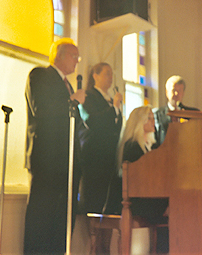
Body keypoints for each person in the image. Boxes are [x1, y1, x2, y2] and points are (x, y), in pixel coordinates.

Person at [24, 37, 85, 255]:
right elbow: (42, 109)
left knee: (62, 222)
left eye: (78, 57)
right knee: (41, 220)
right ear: (58, 56)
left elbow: (74, 124)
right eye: (73, 55)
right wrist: (72, 102)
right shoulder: (40, 75)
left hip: (68, 164)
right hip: (47, 161)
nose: (77, 61)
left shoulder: (68, 86)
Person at [104, 106, 169, 253]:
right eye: (149, 118)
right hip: (132, 199)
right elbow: (137, 180)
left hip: (140, 196)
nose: (154, 121)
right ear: (140, 122)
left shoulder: (149, 146)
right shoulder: (132, 146)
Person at [77, 62, 123, 254]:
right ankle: (96, 248)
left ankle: (106, 249)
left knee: (110, 206)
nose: (110, 78)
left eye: (112, 75)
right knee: (95, 204)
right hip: (95, 160)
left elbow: (115, 128)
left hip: (110, 160)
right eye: (106, 74)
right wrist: (114, 108)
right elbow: (93, 121)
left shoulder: (110, 99)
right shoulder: (88, 96)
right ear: (94, 76)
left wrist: (116, 108)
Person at [154, 75, 199, 145]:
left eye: (180, 90)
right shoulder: (157, 114)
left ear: (183, 93)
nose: (176, 94)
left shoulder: (193, 113)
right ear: (167, 92)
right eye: (173, 90)